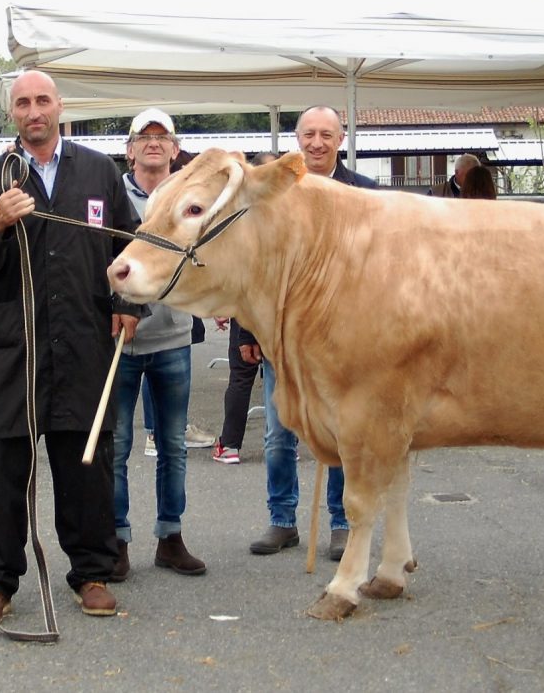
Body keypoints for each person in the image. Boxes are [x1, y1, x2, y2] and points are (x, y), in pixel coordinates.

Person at [0, 70, 143, 625]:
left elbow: (127, 244)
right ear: (11, 113)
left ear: (60, 106)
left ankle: (91, 572)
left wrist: (128, 306)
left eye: (42, 100)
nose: (33, 111)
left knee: (85, 465)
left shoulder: (98, 172)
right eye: (22, 103)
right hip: (13, 349)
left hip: (83, 341)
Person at [248, 107, 375, 561]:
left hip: (346, 339)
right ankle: (282, 520)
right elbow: (249, 269)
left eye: (326, 134)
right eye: (309, 134)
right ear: (296, 139)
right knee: (278, 432)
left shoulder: (366, 193)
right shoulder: (271, 191)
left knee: (343, 432)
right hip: (279, 334)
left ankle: (342, 523)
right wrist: (244, 334)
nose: (317, 143)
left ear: (341, 139)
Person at [110, 108, 207, 582]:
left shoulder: (188, 199)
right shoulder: (108, 195)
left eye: (161, 136)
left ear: (175, 147)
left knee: (173, 444)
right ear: (129, 149)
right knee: (118, 445)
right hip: (121, 343)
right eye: (142, 136)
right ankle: (118, 539)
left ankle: (171, 537)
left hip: (173, 337)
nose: (152, 143)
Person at [211, 151, 278, 466]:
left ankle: (230, 444)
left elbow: (233, 269)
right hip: (280, 312)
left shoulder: (241, 217)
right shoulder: (288, 215)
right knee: (283, 378)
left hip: (249, 309)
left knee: (241, 377)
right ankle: (283, 440)